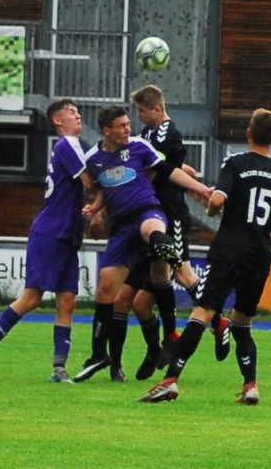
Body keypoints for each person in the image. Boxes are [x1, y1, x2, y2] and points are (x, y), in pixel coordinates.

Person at [140, 108, 271, 404]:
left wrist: (212, 210)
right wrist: (267, 238)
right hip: (259, 256)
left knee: (202, 312)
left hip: (229, 250)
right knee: (242, 322)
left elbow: (216, 199)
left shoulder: (235, 163)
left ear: (248, 133)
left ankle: (170, 381)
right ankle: (250, 386)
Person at [75, 105, 212, 383]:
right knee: (106, 290)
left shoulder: (139, 146)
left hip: (147, 210)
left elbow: (169, 170)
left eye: (129, 123)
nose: (129, 128)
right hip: (121, 226)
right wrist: (95, 210)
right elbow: (102, 189)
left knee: (153, 231)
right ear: (107, 131)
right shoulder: (93, 159)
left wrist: (201, 189)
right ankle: (99, 354)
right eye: (122, 125)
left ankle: (167, 252)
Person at [0, 99, 96, 384]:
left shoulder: (72, 146)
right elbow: (90, 181)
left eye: (78, 112)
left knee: (67, 301)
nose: (78, 116)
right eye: (71, 112)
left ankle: (59, 369)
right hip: (51, 232)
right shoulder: (68, 143)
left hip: (67, 234)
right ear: (58, 121)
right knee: (32, 298)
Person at [108, 85, 229, 382]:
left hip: (170, 214)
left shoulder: (168, 134)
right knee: (154, 282)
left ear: (157, 109)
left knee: (183, 275)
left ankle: (217, 322)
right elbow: (166, 163)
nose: (138, 116)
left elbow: (158, 168)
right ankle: (167, 341)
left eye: (142, 111)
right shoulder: (148, 134)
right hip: (151, 218)